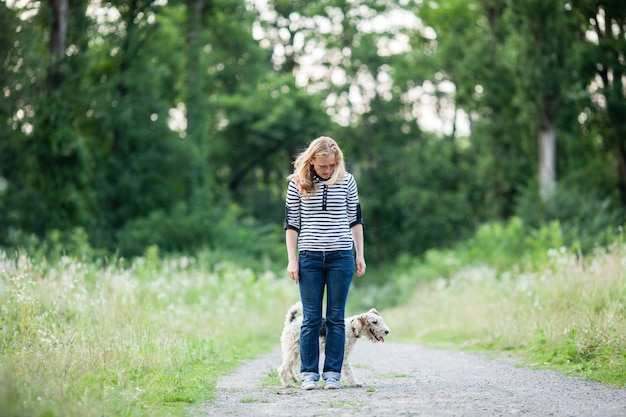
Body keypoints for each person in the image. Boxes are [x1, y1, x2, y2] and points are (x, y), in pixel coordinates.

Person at [284, 136, 366, 390]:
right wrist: (292, 260)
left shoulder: (347, 181)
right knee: (310, 318)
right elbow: (291, 224)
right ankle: (309, 374)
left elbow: (355, 219)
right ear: (311, 161)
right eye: (322, 166)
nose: (328, 170)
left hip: (341, 256)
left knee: (335, 317)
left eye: (331, 165)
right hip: (309, 257)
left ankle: (332, 374)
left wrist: (359, 254)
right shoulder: (298, 183)